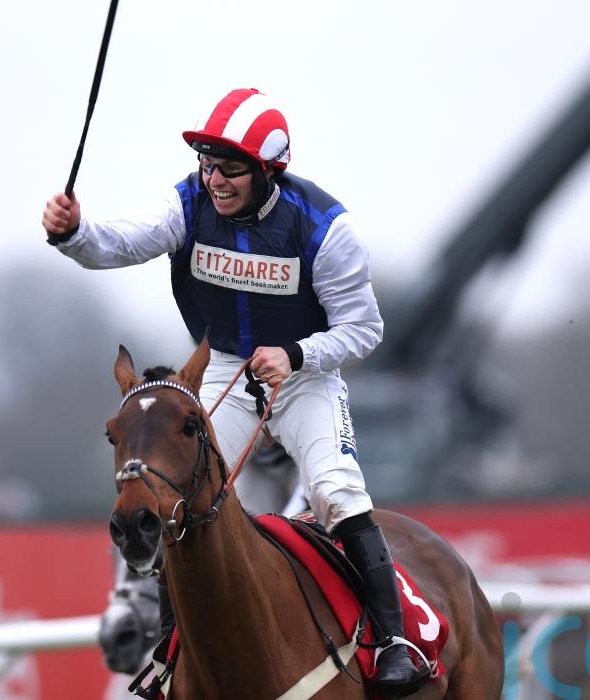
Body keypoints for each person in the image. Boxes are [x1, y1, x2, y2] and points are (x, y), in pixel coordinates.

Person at [42, 87, 428, 695]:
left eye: (230, 168)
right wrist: (75, 233)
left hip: (304, 377)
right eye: (207, 164)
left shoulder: (325, 228)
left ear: (269, 170)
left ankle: (391, 640)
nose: (214, 180)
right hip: (225, 369)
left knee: (335, 491)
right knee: (181, 495)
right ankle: (173, 649)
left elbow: (364, 328)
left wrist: (296, 353)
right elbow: (119, 243)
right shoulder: (187, 203)